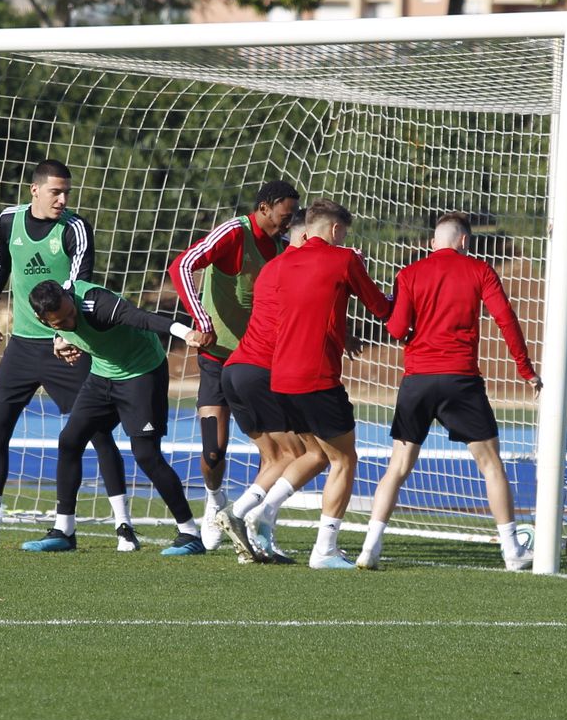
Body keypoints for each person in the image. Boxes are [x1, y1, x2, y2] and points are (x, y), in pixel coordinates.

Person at [0, 159, 133, 553]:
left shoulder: (75, 229)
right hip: (22, 347)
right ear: (34, 190)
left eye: (67, 192)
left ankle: (124, 527)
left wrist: (64, 335)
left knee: (96, 432)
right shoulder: (8, 221)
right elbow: (2, 262)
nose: (63, 199)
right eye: (55, 192)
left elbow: (74, 284)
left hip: (67, 346)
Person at [356, 213, 541, 572]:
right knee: (491, 466)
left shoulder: (410, 273)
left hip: (418, 382)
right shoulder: (480, 271)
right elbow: (506, 318)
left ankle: (369, 548)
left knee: (397, 467)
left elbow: (395, 330)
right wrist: (525, 370)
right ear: (465, 242)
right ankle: (512, 552)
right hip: (460, 380)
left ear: (432, 243)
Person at [19, 279, 211, 555]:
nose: (70, 321)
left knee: (146, 454)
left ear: (69, 298)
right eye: (60, 323)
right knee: (70, 440)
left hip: (141, 373)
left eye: (71, 314)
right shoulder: (51, 317)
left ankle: (190, 533)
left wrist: (185, 333)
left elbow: (143, 318)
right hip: (102, 375)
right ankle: (64, 531)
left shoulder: (98, 304)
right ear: (42, 318)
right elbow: (64, 330)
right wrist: (59, 339)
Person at [166, 180, 301, 550]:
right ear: (265, 208)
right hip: (216, 357)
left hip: (259, 362)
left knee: (275, 450)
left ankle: (255, 522)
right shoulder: (233, 233)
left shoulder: (281, 248)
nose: (287, 224)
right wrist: (202, 322)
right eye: (284, 216)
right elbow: (181, 266)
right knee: (213, 449)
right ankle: (214, 504)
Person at [267, 199, 393, 569]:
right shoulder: (344, 259)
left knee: (316, 455)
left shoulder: (281, 263)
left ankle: (261, 510)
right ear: (336, 230)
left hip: (280, 379)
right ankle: (324, 549)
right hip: (317, 377)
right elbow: (381, 308)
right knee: (343, 460)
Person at [214, 221, 328, 565]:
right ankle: (244, 512)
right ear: (308, 238)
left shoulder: (271, 269)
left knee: (277, 459)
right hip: (263, 372)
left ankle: (258, 539)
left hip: (234, 370)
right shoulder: (304, 270)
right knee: (313, 455)